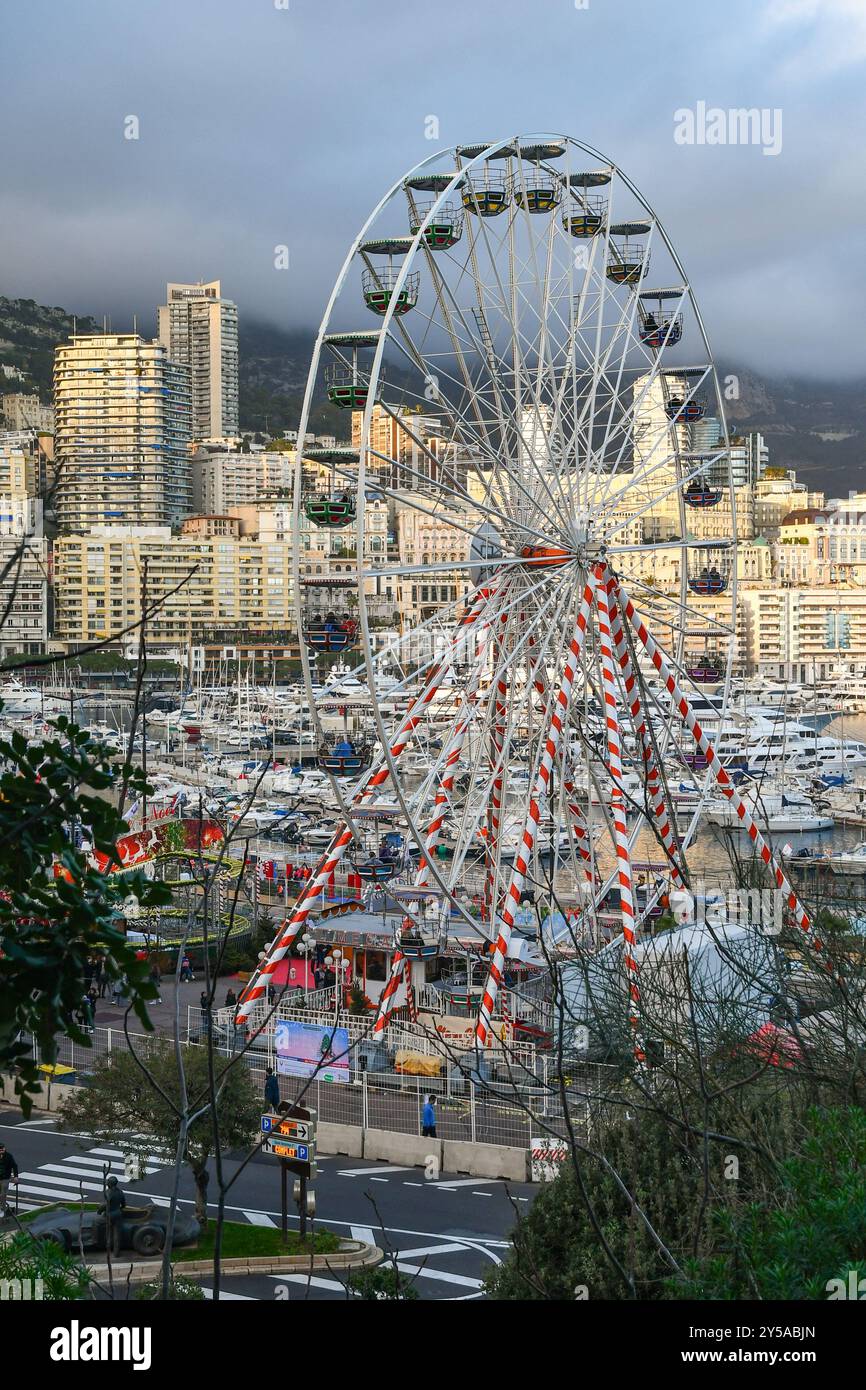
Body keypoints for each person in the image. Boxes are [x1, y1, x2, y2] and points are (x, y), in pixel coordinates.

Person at [0, 1143, 19, 1217]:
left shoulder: (8, 1156)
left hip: (5, 1178)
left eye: (2, 1148)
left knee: (3, 1194)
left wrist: (16, 1176)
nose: (1, 1150)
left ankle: (2, 1208)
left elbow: (14, 1166)